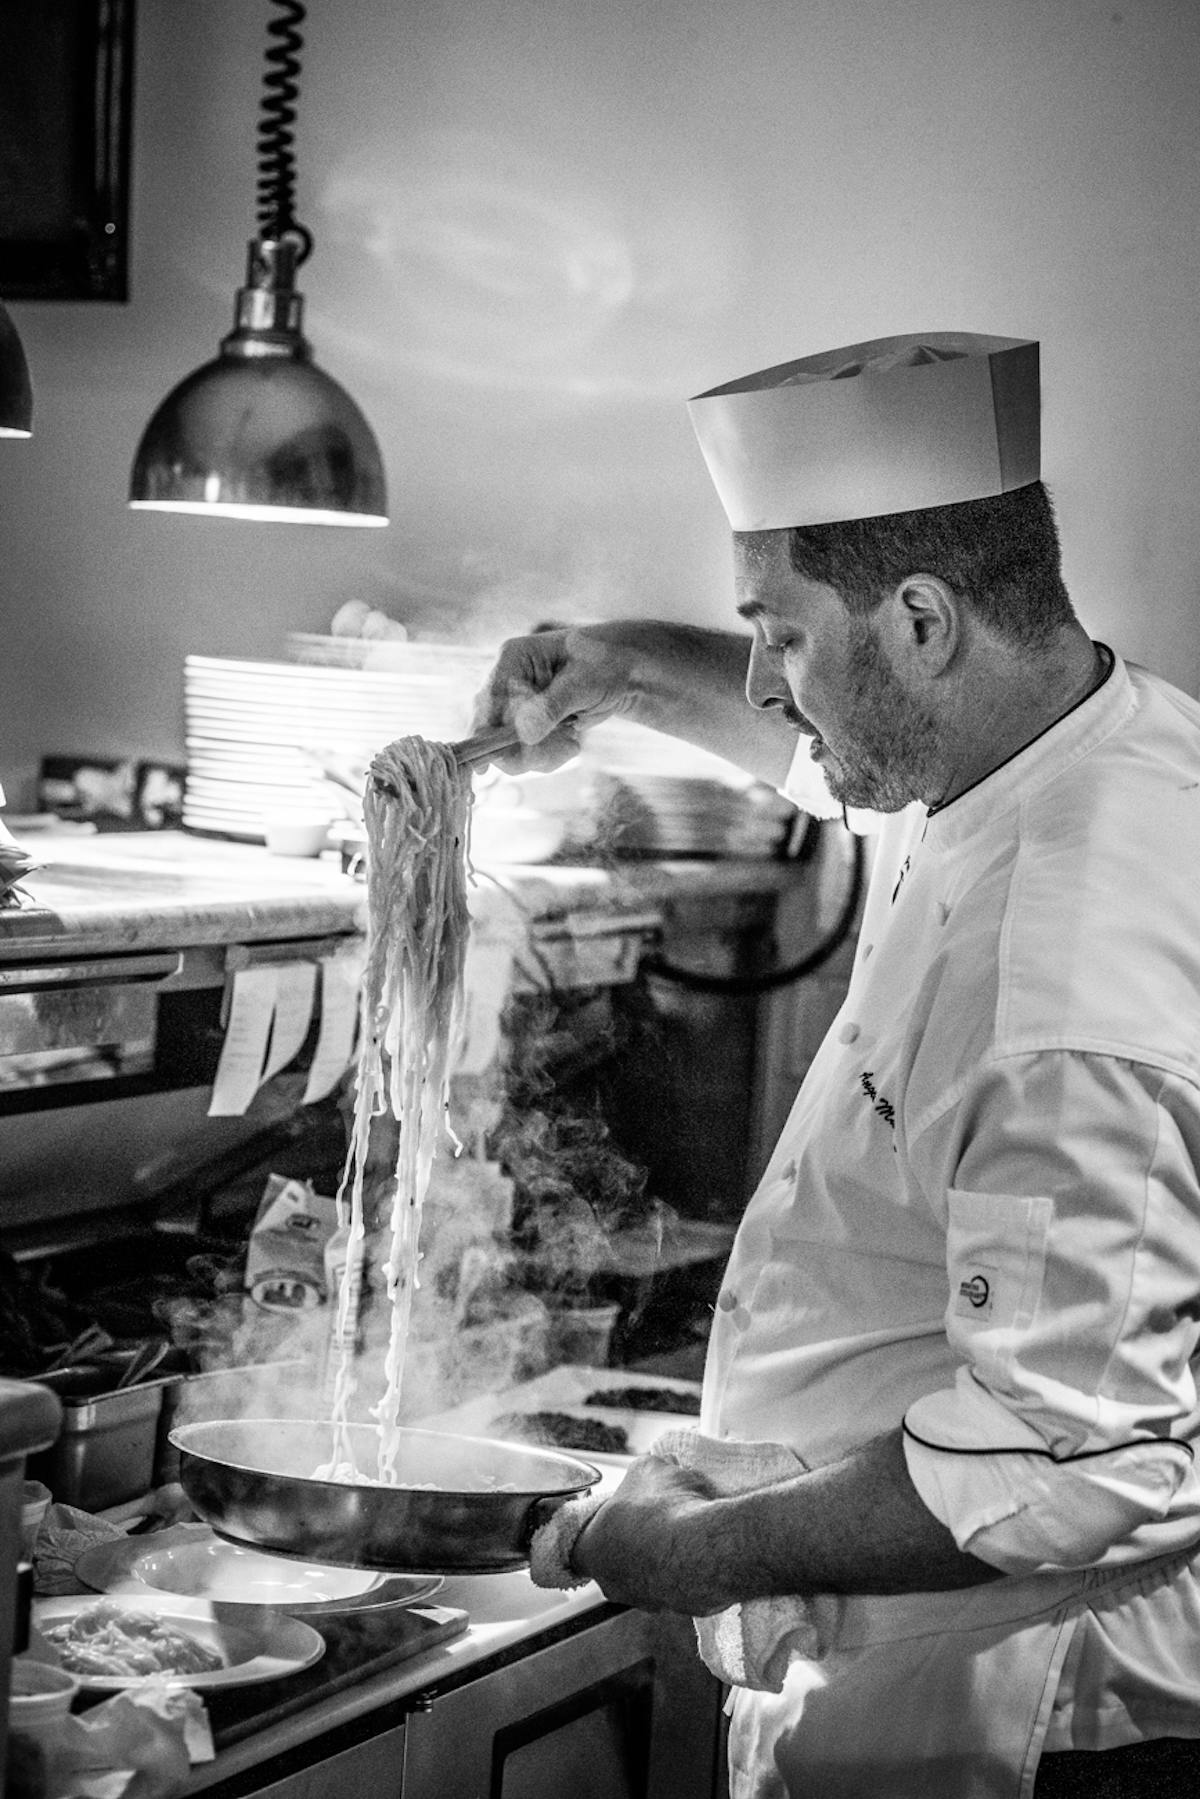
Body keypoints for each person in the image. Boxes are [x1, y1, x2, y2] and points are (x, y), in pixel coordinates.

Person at [473, 335, 1200, 1798]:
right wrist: (616, 670)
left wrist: (680, 1546)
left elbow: (1059, 1467)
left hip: (1023, 1716)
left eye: (780, 635)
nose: (757, 678)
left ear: (924, 620)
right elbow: (835, 763)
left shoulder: (1059, 979)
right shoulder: (1087, 742)